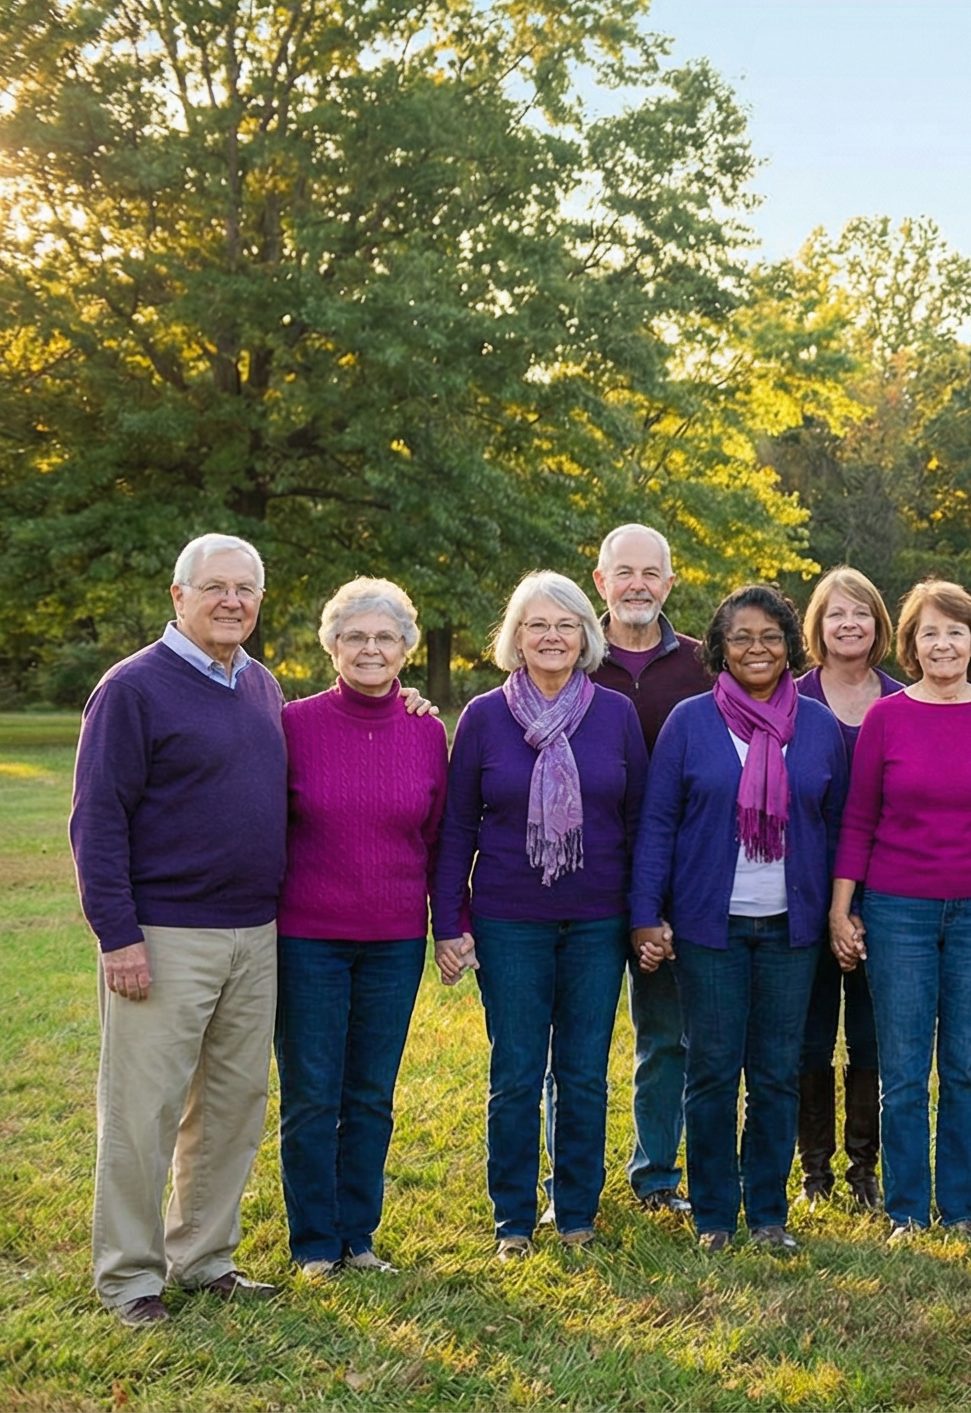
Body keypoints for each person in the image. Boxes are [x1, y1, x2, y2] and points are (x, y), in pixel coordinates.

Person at [75, 534, 291, 1325]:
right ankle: (131, 1278)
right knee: (143, 1112)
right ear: (178, 595)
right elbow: (97, 819)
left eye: (246, 589)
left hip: (254, 931)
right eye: (215, 587)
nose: (232, 601)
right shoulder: (132, 688)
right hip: (164, 934)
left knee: (233, 1104)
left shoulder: (260, 685)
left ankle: (204, 1258)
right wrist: (117, 934)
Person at [434, 571, 650, 1259]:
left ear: (587, 636)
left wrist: (644, 915)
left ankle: (578, 1211)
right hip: (509, 919)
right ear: (516, 638)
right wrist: (449, 921)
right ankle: (513, 1222)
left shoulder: (615, 714)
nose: (552, 637)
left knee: (584, 1071)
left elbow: (643, 823)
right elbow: (457, 827)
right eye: (537, 625)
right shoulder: (483, 718)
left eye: (566, 625)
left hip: (597, 920)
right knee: (518, 1070)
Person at [629, 585, 849, 1251]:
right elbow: (658, 823)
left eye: (770, 637)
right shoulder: (690, 723)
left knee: (778, 1072)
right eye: (741, 638)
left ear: (790, 646)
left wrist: (844, 912)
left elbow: (839, 827)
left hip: (791, 929)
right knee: (713, 1071)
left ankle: (770, 1214)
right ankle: (715, 1217)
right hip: (709, 929)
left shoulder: (818, 726)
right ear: (719, 649)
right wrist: (645, 915)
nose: (756, 649)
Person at [828, 580, 971, 1239]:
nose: (943, 643)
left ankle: (961, 1208)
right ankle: (908, 1210)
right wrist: (842, 910)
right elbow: (858, 820)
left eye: (955, 631)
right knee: (906, 1067)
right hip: (898, 910)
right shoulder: (887, 716)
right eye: (929, 632)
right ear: (911, 645)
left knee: (970, 1064)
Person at [275, 577, 448, 1280]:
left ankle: (360, 1235)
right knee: (313, 1091)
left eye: (385, 637)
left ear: (406, 649)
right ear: (332, 647)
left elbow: (438, 839)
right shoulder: (293, 723)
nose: (370, 648)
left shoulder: (427, 728)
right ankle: (315, 1242)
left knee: (372, 1092)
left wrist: (446, 928)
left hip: (395, 938)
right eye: (355, 636)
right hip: (309, 935)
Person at [589, 522, 711, 1220]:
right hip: (584, 883)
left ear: (669, 583)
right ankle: (567, 1185)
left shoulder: (703, 666)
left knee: (668, 1037)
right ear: (601, 581)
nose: (637, 584)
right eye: (622, 572)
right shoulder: (569, 653)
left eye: (650, 573)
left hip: (674, 884)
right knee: (572, 1048)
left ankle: (658, 1176)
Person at [792, 567, 901, 1208]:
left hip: (886, 893)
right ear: (818, 626)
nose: (849, 624)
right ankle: (814, 1174)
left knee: (870, 1036)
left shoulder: (905, 700)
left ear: (878, 624)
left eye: (861, 612)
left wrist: (859, 908)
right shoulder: (789, 699)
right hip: (803, 893)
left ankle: (864, 1171)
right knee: (808, 1036)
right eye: (836, 614)